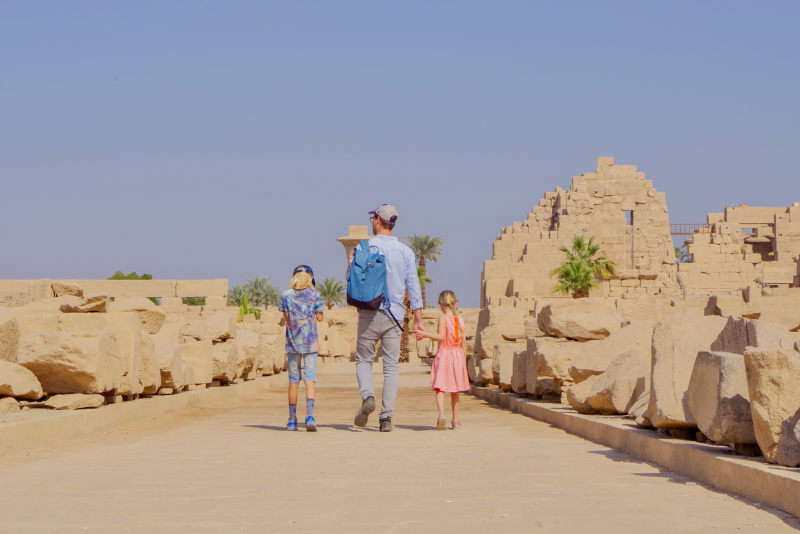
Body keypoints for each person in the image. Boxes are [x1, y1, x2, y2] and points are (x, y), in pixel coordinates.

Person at [347, 204, 426, 432]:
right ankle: (386, 419)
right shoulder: (406, 252)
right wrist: (418, 321)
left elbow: (349, 276)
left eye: (373, 218)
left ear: (377, 221)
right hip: (395, 315)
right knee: (391, 368)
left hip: (369, 312)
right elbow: (414, 288)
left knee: (364, 360)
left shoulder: (365, 247)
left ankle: (368, 396)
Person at [278, 265, 324, 432]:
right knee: (309, 380)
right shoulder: (314, 295)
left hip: (293, 344)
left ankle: (292, 420)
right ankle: (309, 416)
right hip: (310, 344)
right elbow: (319, 317)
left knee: (293, 382)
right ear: (310, 278)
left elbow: (286, 317)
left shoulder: (286, 295)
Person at [415, 290, 469, 430]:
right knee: (455, 390)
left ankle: (441, 413)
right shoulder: (460, 319)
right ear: (456, 303)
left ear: (440, 304)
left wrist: (424, 333)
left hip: (445, 354)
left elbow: (440, 336)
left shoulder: (443, 318)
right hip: (457, 355)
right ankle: (455, 421)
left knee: (440, 387)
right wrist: (463, 362)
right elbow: (463, 343)